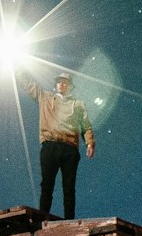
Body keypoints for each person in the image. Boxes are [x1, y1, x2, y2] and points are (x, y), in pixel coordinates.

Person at [19, 72, 96, 219]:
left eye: (65, 82)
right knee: (47, 185)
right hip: (50, 146)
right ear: (56, 84)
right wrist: (18, 71)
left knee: (69, 188)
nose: (62, 84)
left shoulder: (78, 104)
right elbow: (30, 86)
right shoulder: (46, 97)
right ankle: (42, 218)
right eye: (60, 82)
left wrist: (90, 142)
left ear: (70, 86)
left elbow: (85, 125)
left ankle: (70, 221)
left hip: (69, 148)